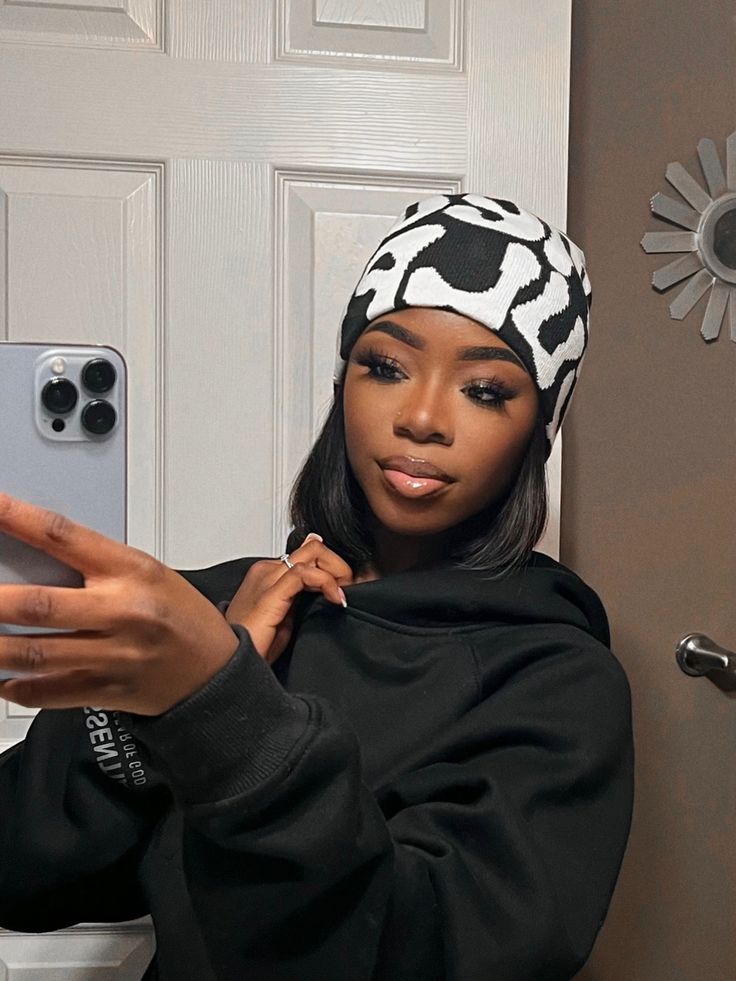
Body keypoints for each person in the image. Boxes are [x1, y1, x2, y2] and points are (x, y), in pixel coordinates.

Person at [0, 194, 634, 981]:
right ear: (343, 386)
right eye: (386, 366)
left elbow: (421, 949)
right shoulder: (224, 616)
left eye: (484, 390)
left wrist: (225, 712)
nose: (423, 416)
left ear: (535, 432)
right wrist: (157, 713)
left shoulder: (559, 684)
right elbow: (19, 872)